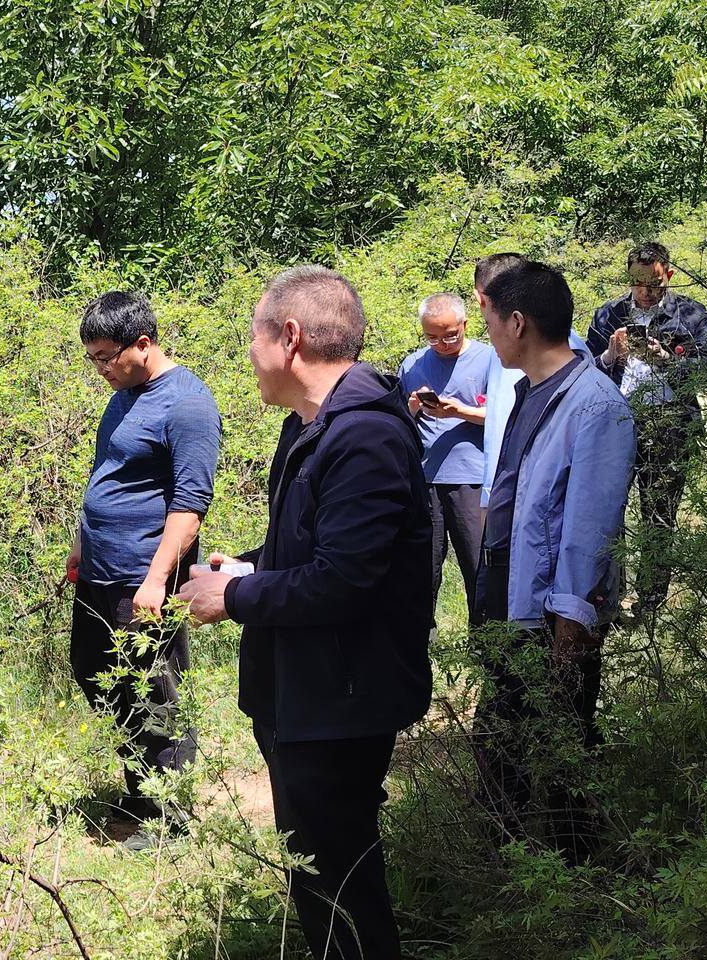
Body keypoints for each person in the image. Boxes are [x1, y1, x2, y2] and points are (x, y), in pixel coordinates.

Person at [179, 266, 432, 960]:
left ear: (289, 337)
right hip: (308, 690)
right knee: (319, 870)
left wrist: (230, 598)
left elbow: (345, 582)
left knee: (337, 882)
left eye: (252, 338)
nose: (248, 357)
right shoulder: (312, 427)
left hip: (342, 699)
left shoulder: (365, 438)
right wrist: (252, 565)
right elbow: (315, 548)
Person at [474, 260, 635, 863]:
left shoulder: (595, 405)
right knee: (506, 733)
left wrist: (570, 620)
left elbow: (590, 527)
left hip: (550, 612)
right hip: (510, 592)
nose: (486, 332)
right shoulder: (527, 391)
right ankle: (508, 862)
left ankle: (575, 876)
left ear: (517, 322)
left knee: (561, 742)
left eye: (489, 319)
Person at [68, 291, 221, 851]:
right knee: (95, 673)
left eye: (108, 356)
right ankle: (142, 789)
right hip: (99, 571)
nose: (102, 369)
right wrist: (81, 546)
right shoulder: (125, 395)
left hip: (144, 576)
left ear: (144, 343)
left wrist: (157, 579)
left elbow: (189, 502)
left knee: (154, 689)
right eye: (93, 360)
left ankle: (171, 820)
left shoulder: (187, 404)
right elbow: (108, 474)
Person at [586, 242, 707, 614]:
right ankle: (609, 597)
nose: (645, 290)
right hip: (617, 421)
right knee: (608, 509)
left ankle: (650, 604)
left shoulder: (691, 315)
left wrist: (667, 359)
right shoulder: (609, 314)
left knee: (659, 514)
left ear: (668, 274)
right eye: (637, 281)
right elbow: (584, 372)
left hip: (670, 420)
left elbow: (705, 371)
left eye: (653, 282)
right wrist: (610, 355)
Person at [398, 292, 492, 617]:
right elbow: (397, 425)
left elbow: (504, 416)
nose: (443, 343)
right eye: (433, 337)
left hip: (472, 479)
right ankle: (422, 644)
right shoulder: (412, 365)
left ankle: (486, 651)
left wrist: (461, 412)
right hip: (424, 480)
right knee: (423, 570)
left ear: (466, 324)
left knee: (478, 569)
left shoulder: (491, 359)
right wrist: (410, 409)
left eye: (451, 335)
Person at [476, 254, 588, 509]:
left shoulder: (593, 403)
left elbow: (501, 434)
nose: (490, 336)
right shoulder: (573, 355)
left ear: (516, 323)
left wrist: (488, 500)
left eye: (488, 325)